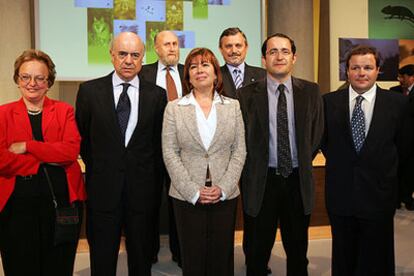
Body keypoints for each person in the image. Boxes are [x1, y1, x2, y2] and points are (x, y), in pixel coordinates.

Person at [75, 32, 167, 276]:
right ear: (112, 55)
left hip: (143, 193)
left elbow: (158, 145)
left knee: (141, 257)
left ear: (142, 57)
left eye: (135, 55)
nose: (128, 60)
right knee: (102, 257)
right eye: (123, 54)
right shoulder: (89, 91)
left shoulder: (157, 95)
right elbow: (84, 140)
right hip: (103, 190)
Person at [237, 33, 324, 276]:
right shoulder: (246, 95)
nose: (279, 56)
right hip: (261, 182)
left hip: (297, 180)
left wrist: (302, 158)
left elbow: (316, 133)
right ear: (264, 59)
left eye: (285, 51)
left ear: (294, 57)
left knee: (298, 251)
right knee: (257, 251)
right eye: (272, 51)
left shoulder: (311, 91)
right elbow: (241, 136)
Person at [321, 45, 412, 275]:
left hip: (380, 197)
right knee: (344, 259)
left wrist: (398, 192)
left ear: (378, 70)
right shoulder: (328, 103)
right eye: (356, 68)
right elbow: (324, 143)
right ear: (347, 71)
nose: (362, 73)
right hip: (341, 196)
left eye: (368, 67)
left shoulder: (398, 104)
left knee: (377, 260)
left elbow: (405, 150)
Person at [0, 49, 86, 276]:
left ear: (49, 82)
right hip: (15, 205)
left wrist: (28, 146)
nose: (32, 83)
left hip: (61, 201)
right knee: (20, 265)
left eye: (40, 78)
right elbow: (1, 159)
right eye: (25, 77)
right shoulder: (3, 114)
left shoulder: (64, 111)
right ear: (17, 79)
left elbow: (70, 151)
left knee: (58, 266)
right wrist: (43, 161)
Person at [162, 47, 246, 276]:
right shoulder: (174, 108)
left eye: (205, 64)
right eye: (193, 66)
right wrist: (193, 191)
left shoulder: (233, 106)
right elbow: (170, 152)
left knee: (222, 258)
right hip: (186, 196)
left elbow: (239, 151)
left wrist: (225, 187)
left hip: (224, 195)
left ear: (216, 73)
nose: (199, 70)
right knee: (193, 258)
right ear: (187, 75)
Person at [139, 30, 183, 265]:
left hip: (184, 152)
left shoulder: (189, 72)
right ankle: (149, 251)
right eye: (166, 44)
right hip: (150, 150)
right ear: (156, 48)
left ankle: (180, 251)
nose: (172, 48)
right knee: (150, 202)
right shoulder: (142, 73)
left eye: (175, 43)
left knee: (180, 202)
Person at [390, 64, 414, 210]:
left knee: (410, 171)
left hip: (412, 141)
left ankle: (408, 198)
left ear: (411, 77)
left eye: (402, 77)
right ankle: (397, 198)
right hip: (396, 139)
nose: (400, 80)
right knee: (396, 170)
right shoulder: (394, 91)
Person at [218, 27, 265, 98]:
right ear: (221, 50)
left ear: (246, 48)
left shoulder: (263, 75)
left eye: (238, 46)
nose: (233, 50)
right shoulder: (215, 76)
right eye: (228, 46)